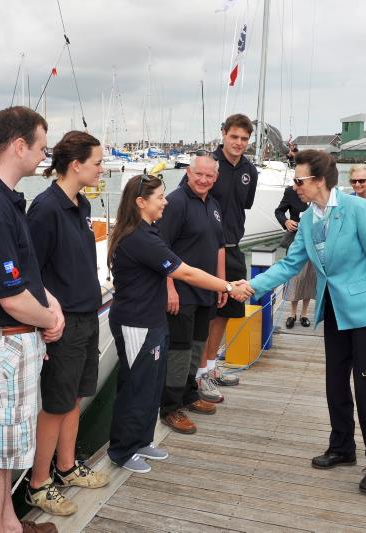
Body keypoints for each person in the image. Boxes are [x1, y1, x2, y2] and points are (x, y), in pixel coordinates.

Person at [247, 149, 366, 493]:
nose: (295, 186)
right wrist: (250, 286)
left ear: (318, 181)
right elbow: (290, 265)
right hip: (332, 309)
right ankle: (342, 446)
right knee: (334, 383)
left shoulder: (359, 210)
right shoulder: (310, 218)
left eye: (299, 180)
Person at [106, 174, 252, 473]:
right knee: (136, 386)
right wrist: (227, 287)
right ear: (140, 202)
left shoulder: (151, 231)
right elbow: (185, 273)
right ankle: (122, 450)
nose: (166, 201)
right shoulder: (138, 238)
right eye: (159, 197)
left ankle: (141, 440)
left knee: (151, 385)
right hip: (136, 324)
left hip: (153, 320)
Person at [0, 106, 62, 533]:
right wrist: (48, 319)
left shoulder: (0, 198)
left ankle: (10, 525)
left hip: (16, 339)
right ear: (19, 146)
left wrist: (49, 303)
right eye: (40, 147)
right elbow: (10, 295)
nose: (43, 156)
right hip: (5, 341)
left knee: (4, 451)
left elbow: (23, 275)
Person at [25, 131, 111, 516]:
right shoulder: (45, 209)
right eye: (97, 162)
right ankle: (38, 484)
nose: (101, 168)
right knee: (56, 404)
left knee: (75, 397)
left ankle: (66, 466)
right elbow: (30, 272)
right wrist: (49, 312)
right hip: (63, 323)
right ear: (76, 164)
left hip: (87, 315)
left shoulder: (80, 205)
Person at [156, 153, 226, 435]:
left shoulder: (214, 204)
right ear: (188, 173)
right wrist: (169, 287)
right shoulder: (175, 203)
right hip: (181, 293)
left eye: (209, 176)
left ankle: (187, 394)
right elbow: (160, 249)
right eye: (199, 174)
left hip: (205, 292)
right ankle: (170, 408)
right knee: (179, 352)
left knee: (197, 346)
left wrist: (221, 283)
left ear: (215, 178)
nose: (204, 180)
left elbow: (219, 245)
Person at [195, 114, 258, 400]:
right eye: (234, 137)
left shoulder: (250, 171)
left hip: (233, 247)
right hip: (207, 250)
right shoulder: (210, 166)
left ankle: (211, 366)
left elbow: (244, 205)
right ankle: (198, 374)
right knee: (206, 313)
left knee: (226, 313)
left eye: (244, 139)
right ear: (223, 134)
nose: (239, 143)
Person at [274, 185, 316, 328]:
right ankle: (292, 314)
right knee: (295, 278)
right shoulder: (291, 191)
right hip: (295, 242)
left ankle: (304, 314)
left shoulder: (319, 190)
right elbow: (279, 211)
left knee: (309, 278)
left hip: (315, 242)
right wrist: (286, 221)